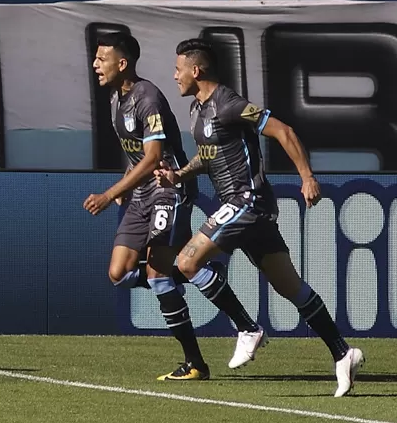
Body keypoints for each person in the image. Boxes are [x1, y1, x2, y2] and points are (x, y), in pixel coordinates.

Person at [156, 38, 364, 397]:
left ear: (196, 69)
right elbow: (207, 156)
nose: (173, 76)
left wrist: (307, 177)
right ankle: (343, 353)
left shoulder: (229, 103)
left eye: (177, 69)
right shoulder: (196, 110)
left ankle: (247, 328)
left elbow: (284, 131)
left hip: (246, 201)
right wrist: (179, 176)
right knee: (290, 287)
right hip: (244, 208)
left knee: (187, 262)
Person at [84, 32, 245, 381]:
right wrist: (128, 183)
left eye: (102, 58)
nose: (95, 64)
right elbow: (137, 154)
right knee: (120, 273)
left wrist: (111, 193)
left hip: (167, 189)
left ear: (122, 63)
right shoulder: (117, 99)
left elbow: (156, 156)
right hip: (141, 193)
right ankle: (196, 272)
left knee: (157, 275)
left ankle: (195, 363)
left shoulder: (148, 98)